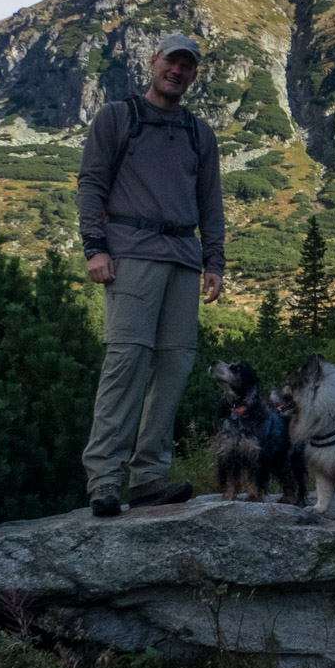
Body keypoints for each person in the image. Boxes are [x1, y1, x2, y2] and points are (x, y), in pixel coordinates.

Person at [77, 32, 225, 516]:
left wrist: (215, 262)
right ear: (152, 61)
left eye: (188, 66)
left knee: (176, 367)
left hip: (184, 259)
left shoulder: (200, 133)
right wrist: (94, 248)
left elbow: (210, 204)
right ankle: (103, 480)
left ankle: (148, 479)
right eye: (171, 61)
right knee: (127, 364)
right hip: (131, 255)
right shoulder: (117, 118)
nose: (178, 71)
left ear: (195, 74)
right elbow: (91, 185)